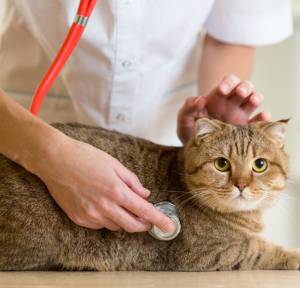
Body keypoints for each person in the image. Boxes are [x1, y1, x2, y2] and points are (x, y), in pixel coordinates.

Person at [0, 0, 292, 233]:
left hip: (166, 147)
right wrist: (48, 155)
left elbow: (233, 31)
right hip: (25, 142)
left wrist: (214, 135)